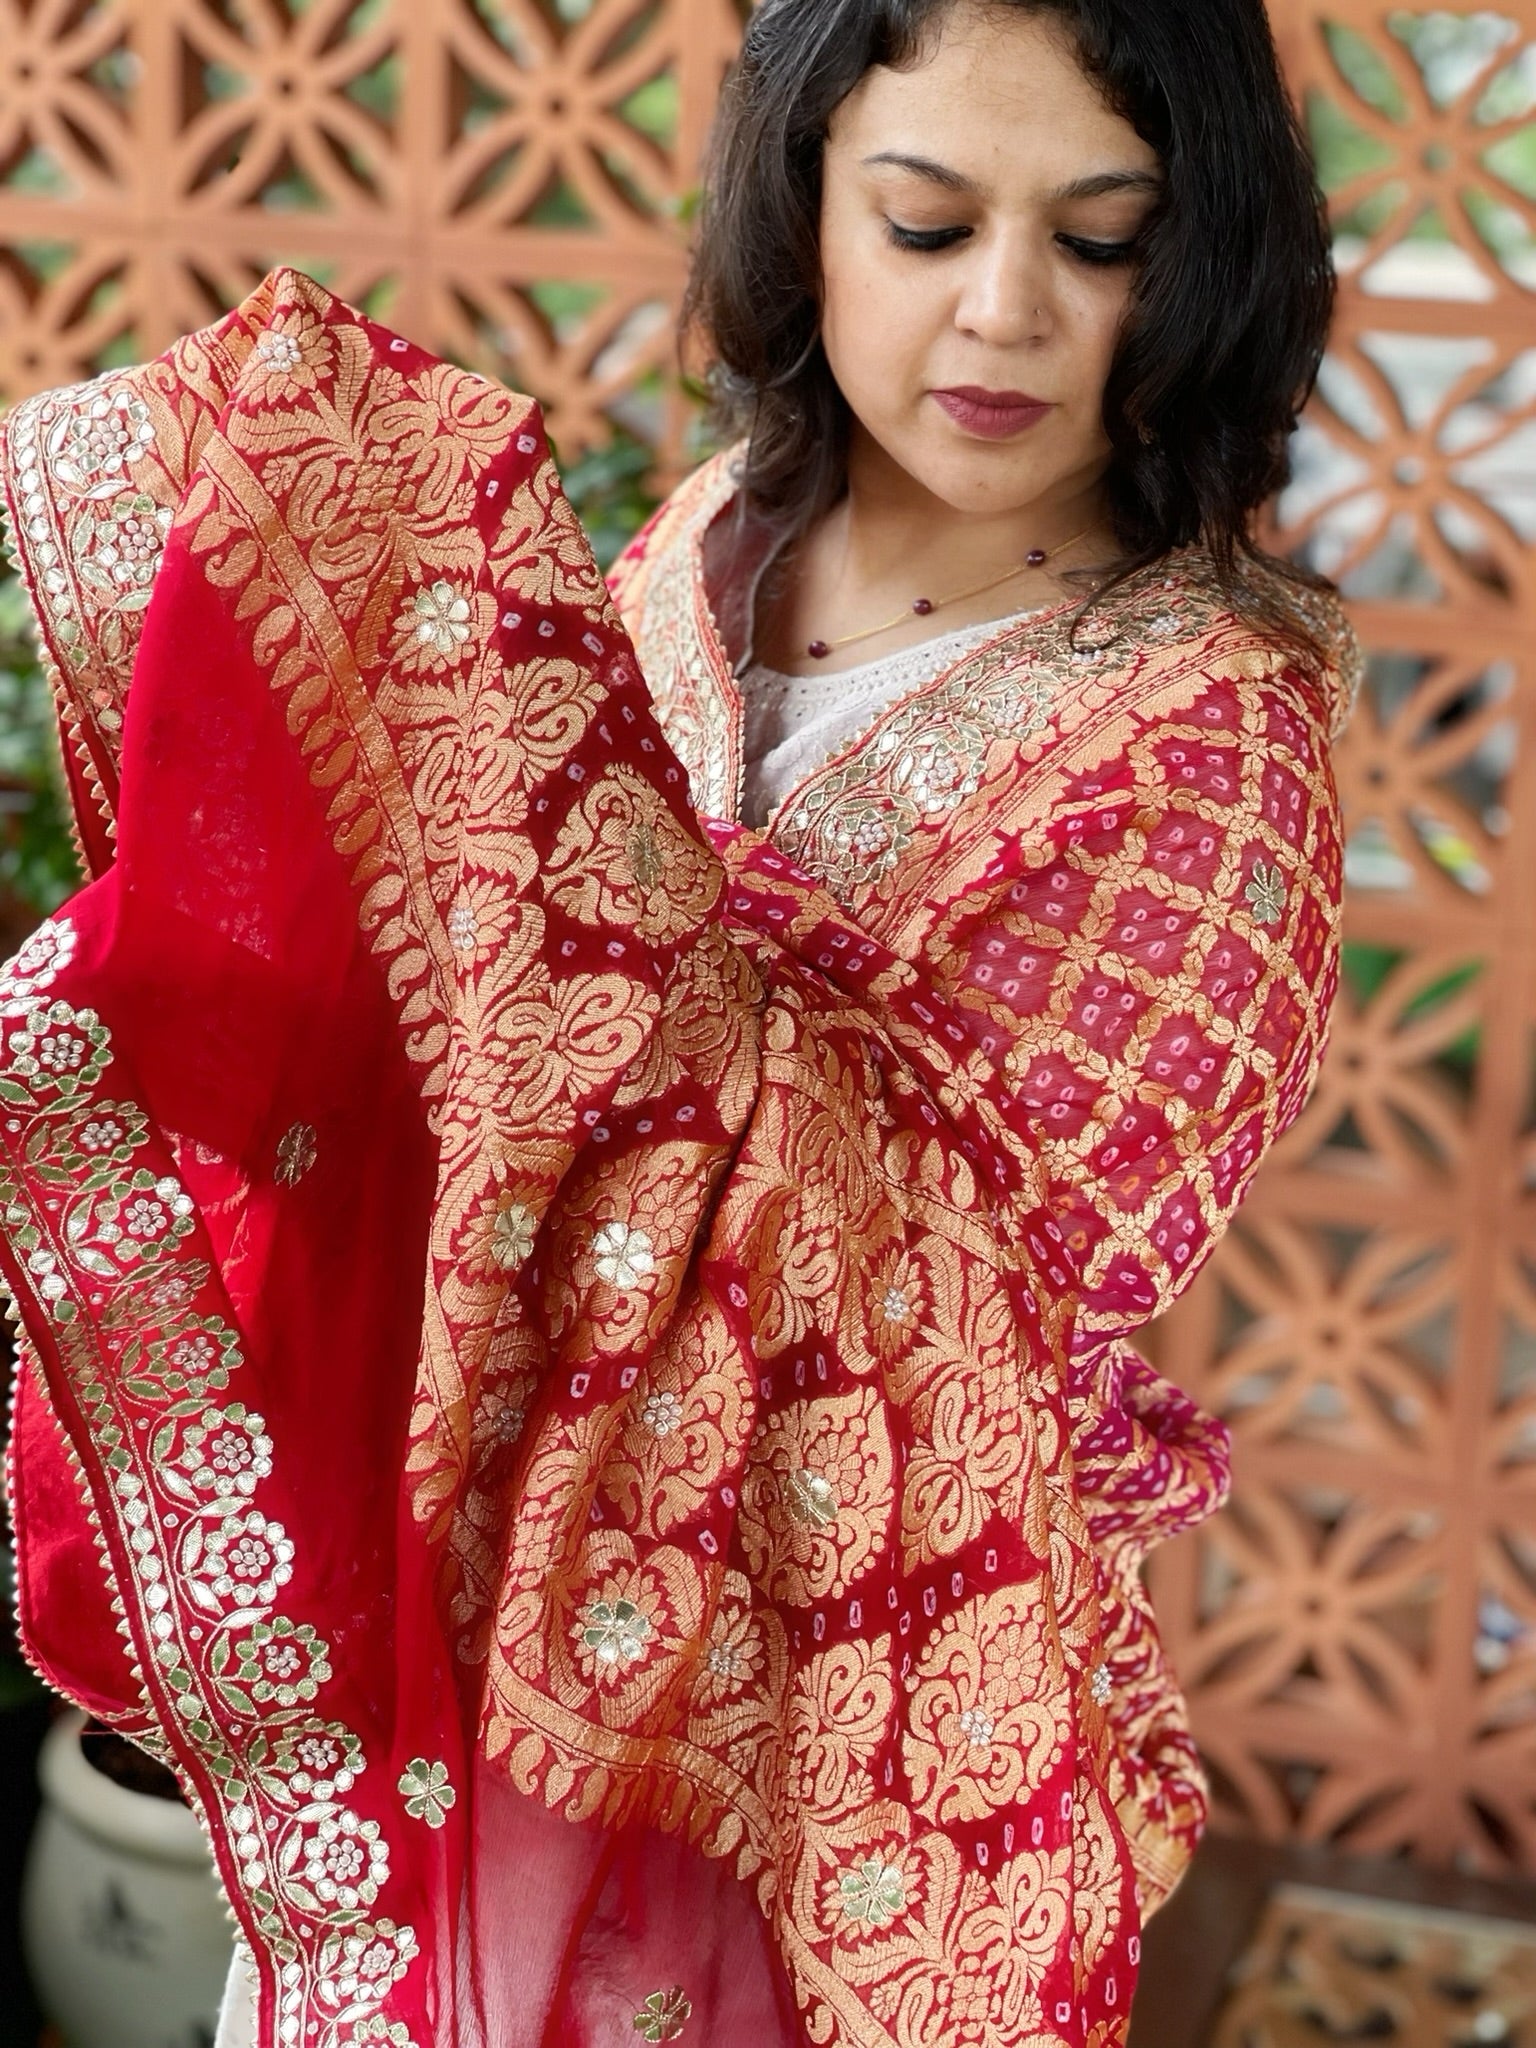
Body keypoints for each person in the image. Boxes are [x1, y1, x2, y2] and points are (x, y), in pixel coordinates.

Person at [0, 1, 1354, 2043]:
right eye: (923, 220)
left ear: (1214, 258)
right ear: (802, 207)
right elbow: (481, 1023)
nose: (1004, 313)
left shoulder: (1206, 730)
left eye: (1101, 238)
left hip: (834, 1694)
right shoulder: (716, 538)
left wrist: (544, 873)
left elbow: (966, 1278)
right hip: (491, 1581)